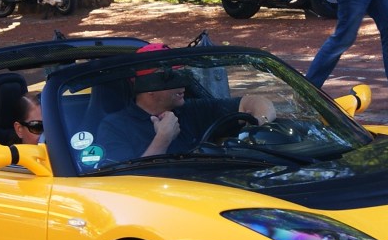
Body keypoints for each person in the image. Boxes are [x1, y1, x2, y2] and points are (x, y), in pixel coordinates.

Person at [98, 45, 275, 160]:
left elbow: (255, 101)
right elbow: (126, 184)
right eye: (173, 77)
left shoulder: (192, 109)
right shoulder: (114, 127)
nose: (183, 83)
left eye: (184, 74)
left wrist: (260, 126)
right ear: (149, 87)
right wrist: (163, 139)